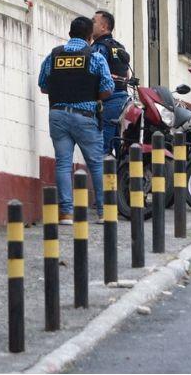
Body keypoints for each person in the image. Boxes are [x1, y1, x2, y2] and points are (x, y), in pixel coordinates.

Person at [39, 17, 114, 225]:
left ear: (70, 33)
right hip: (86, 117)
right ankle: (103, 212)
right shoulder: (95, 57)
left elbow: (43, 85)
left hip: (58, 115)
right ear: (90, 36)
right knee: (96, 164)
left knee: (63, 164)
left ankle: (66, 214)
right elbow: (108, 88)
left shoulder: (53, 56)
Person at [91, 10, 131, 157]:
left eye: (93, 21)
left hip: (108, 102)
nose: (91, 24)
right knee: (121, 148)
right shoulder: (119, 47)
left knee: (102, 149)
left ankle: (104, 180)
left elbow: (94, 74)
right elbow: (126, 74)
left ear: (104, 27)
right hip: (124, 101)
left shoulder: (99, 48)